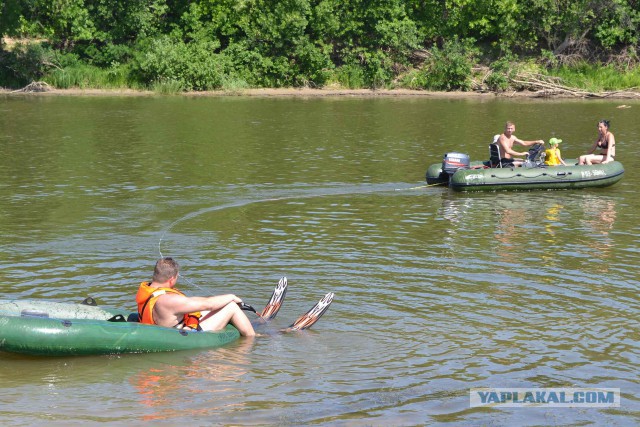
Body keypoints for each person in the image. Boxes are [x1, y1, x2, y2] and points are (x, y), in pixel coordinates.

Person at [136, 257, 256, 336]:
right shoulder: (169, 300)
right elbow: (208, 304)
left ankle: (249, 323)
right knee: (231, 306)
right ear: (172, 279)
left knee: (204, 309)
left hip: (159, 327)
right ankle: (253, 337)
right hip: (179, 335)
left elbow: (199, 305)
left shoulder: (147, 290)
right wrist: (232, 296)